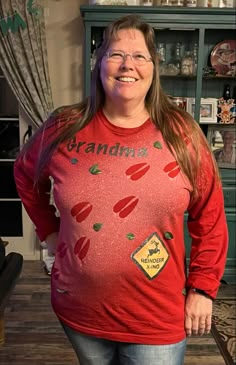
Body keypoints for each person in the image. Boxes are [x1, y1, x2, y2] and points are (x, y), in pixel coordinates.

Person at [14, 15, 228, 365]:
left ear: (153, 68)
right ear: (100, 64)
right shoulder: (64, 126)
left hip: (156, 318)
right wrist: (49, 231)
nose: (128, 65)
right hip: (79, 310)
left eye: (140, 56)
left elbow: (211, 218)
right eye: (115, 54)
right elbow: (25, 176)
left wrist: (202, 288)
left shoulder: (182, 133)